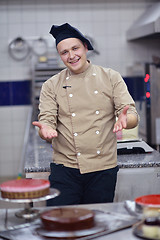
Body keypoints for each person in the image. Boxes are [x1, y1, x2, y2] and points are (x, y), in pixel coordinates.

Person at [32, 23, 139, 206]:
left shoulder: (110, 77)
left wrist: (125, 120)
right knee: (61, 223)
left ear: (86, 47)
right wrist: (46, 130)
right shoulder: (51, 85)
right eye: (64, 52)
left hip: (103, 169)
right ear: (60, 56)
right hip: (64, 169)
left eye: (75, 48)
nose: (71, 56)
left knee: (97, 223)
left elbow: (132, 116)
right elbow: (46, 121)